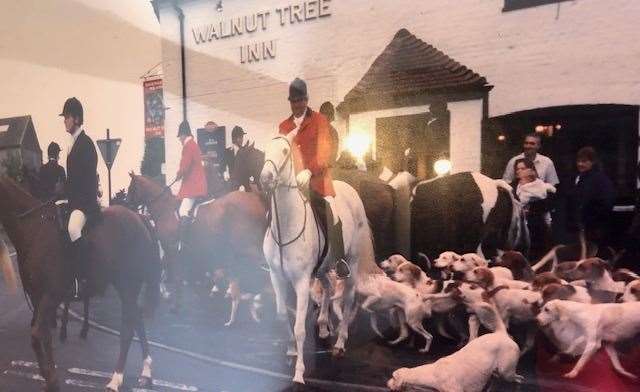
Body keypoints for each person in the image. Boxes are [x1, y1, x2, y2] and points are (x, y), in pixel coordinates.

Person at [279, 78, 350, 278]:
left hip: (317, 180)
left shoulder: (320, 120)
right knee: (273, 211)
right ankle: (276, 254)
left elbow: (324, 153)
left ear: (306, 100)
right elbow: (283, 153)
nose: (297, 105)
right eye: (293, 101)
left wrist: (309, 170)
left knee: (331, 211)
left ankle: (339, 259)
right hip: (292, 183)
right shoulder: (284, 126)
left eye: (300, 100)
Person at [61, 97, 99, 297]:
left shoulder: (86, 144)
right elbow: (72, 180)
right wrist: (62, 197)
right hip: (75, 202)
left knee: (73, 228)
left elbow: (86, 181)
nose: (64, 121)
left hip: (85, 204)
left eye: (66, 117)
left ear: (75, 118)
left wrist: (73, 200)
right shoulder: (72, 143)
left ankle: (86, 278)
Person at [561, 147, 615, 246]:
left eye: (584, 161)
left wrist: (593, 220)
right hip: (576, 229)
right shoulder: (576, 178)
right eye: (578, 161)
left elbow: (606, 203)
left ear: (592, 162)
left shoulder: (601, 180)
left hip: (593, 229)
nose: (580, 164)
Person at [510, 158, 556, 259]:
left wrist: (531, 208)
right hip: (517, 227)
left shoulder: (540, 186)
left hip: (536, 227)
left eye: (522, 168)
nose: (519, 171)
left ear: (531, 170)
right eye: (517, 169)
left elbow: (547, 204)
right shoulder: (512, 187)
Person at [176, 120, 207, 248]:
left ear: (183, 135)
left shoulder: (188, 146)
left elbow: (185, 166)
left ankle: (183, 243)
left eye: (179, 137)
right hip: (197, 184)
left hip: (193, 186)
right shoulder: (194, 144)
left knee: (183, 210)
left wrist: (178, 174)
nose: (179, 139)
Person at [222, 125, 249, 190]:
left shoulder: (247, 151)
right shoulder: (227, 152)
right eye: (239, 137)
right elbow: (222, 166)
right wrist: (225, 173)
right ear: (234, 138)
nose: (242, 140)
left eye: (242, 137)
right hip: (232, 185)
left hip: (245, 184)